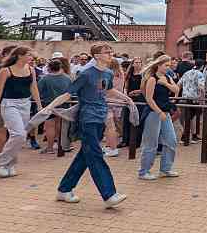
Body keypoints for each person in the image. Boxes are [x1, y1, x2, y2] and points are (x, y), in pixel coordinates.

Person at [54, 44, 128, 208]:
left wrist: (126, 98)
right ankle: (109, 194)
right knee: (95, 155)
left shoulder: (108, 73)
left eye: (111, 51)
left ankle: (64, 189)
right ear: (96, 55)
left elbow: (108, 90)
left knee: (84, 156)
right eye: (106, 52)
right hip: (87, 119)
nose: (110, 54)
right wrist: (50, 107)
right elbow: (68, 93)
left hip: (100, 117)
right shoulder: (85, 74)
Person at [0, 46, 43, 177]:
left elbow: (33, 87)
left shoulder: (31, 69)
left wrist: (39, 105)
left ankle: (10, 164)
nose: (32, 58)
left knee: (19, 136)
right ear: (20, 55)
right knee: (19, 134)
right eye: (29, 55)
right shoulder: (5, 71)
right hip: (9, 104)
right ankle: (2, 162)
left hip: (26, 104)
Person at [138, 55, 180, 180]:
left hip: (165, 112)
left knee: (171, 140)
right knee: (151, 143)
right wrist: (159, 112)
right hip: (153, 113)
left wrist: (166, 84)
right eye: (166, 65)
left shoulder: (167, 77)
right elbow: (149, 99)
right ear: (158, 65)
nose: (168, 67)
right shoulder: (152, 78)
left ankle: (165, 168)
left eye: (169, 65)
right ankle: (144, 171)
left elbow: (176, 89)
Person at [37, 59, 72, 154]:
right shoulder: (67, 78)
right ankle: (60, 146)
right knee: (60, 125)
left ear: (49, 68)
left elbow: (38, 91)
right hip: (64, 104)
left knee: (49, 126)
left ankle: (50, 148)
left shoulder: (45, 79)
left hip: (49, 104)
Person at [179, 59, 205, 144]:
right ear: (202, 66)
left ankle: (185, 136)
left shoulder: (186, 73)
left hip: (185, 97)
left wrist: (176, 96)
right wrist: (202, 99)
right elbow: (201, 88)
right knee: (192, 117)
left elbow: (179, 84)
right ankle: (192, 136)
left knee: (187, 117)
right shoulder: (200, 74)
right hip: (194, 99)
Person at [120, 57, 144, 148]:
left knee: (137, 119)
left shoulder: (144, 74)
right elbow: (126, 87)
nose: (137, 64)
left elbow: (144, 88)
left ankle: (136, 141)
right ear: (133, 64)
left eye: (139, 62)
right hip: (129, 99)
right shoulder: (129, 74)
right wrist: (126, 95)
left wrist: (136, 92)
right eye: (136, 62)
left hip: (140, 98)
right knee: (126, 119)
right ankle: (125, 140)